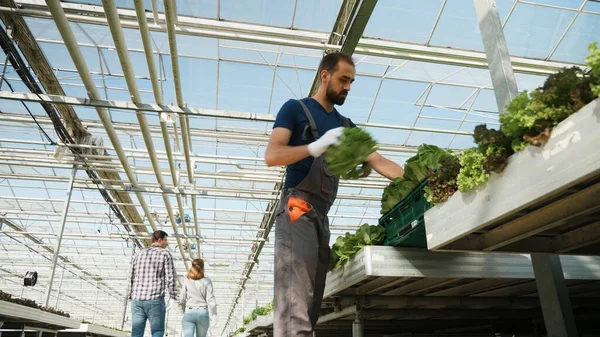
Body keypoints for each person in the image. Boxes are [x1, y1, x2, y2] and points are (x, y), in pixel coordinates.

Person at [265, 52, 405, 337]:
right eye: (343, 79)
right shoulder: (295, 109)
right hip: (296, 208)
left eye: (351, 81)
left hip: (321, 215)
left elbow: (380, 162)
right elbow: (272, 155)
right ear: (324, 75)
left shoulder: (346, 125)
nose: (348, 87)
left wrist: (420, 178)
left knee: (312, 300)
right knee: (295, 303)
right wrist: (314, 147)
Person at [127, 230, 178, 337]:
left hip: (137, 300)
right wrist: (173, 296)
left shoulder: (138, 254)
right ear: (159, 240)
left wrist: (129, 295)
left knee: (136, 331)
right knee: (157, 330)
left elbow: (130, 276)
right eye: (165, 240)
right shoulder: (164, 254)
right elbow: (171, 277)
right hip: (155, 299)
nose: (167, 243)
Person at [178, 259, 218, 337]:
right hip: (203, 313)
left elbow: (182, 299)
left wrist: (183, 311)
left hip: (189, 312)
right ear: (203, 268)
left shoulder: (187, 281)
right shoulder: (207, 281)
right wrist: (214, 314)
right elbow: (210, 299)